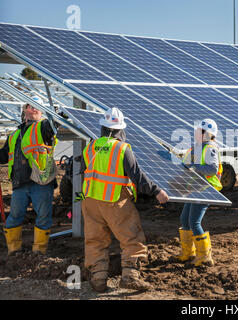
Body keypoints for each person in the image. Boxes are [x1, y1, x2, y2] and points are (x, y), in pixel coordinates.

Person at [80, 107, 169, 293]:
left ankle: (98, 279)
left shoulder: (90, 147)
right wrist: (157, 191)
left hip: (90, 200)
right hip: (114, 199)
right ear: (120, 129)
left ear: (103, 128)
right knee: (131, 236)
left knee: (95, 240)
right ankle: (130, 276)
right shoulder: (121, 148)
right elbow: (137, 176)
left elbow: (85, 172)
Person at [0, 96, 58, 256]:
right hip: (20, 183)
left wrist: (58, 115)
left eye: (38, 106)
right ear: (25, 110)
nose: (34, 108)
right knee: (14, 217)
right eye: (31, 106)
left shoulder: (43, 128)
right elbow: (4, 156)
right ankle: (13, 252)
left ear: (42, 113)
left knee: (44, 218)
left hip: (41, 182)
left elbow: (53, 125)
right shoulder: (14, 135)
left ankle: (39, 252)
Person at [174, 119, 223, 267]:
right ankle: (188, 253)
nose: (196, 132)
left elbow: (212, 169)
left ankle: (204, 256)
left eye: (200, 131)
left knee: (194, 222)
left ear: (208, 134)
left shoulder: (210, 148)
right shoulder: (197, 147)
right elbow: (186, 164)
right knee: (185, 219)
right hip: (195, 189)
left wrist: (194, 167)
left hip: (205, 190)